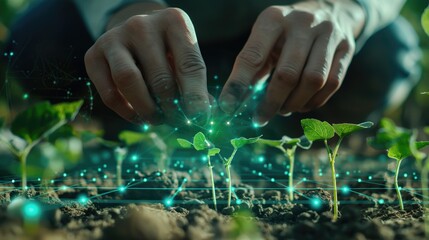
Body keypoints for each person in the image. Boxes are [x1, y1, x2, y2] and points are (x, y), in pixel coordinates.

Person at [2, 0, 421, 139]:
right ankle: (131, 123)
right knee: (39, 42)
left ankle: (275, 132)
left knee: (390, 52)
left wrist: (346, 7)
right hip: (152, 27)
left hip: (280, 40)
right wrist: (123, 8)